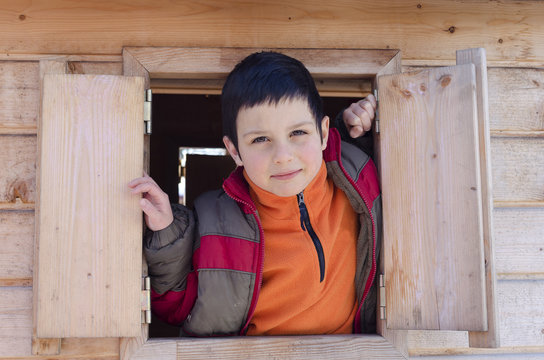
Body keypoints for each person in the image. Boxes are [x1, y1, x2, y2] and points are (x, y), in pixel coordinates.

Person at [128, 51, 380, 336]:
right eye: (261, 139)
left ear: (323, 133)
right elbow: (172, 307)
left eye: (298, 133)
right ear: (234, 150)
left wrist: (369, 125)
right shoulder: (214, 224)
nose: (283, 156)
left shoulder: (356, 179)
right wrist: (165, 231)